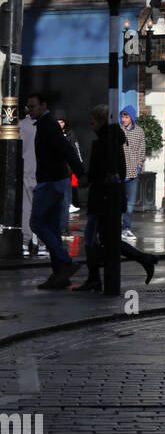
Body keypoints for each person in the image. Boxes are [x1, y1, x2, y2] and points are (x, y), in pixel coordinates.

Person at [74, 106, 156, 292]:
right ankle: (144, 259)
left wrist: (87, 179)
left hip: (103, 198)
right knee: (105, 237)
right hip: (107, 197)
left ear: (101, 120)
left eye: (93, 120)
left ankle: (95, 276)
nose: (90, 124)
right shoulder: (113, 139)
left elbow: (102, 170)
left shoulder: (106, 141)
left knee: (93, 236)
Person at [26, 93, 84, 290]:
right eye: (28, 107)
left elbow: (66, 149)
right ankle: (60, 274)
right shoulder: (46, 124)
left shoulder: (48, 125)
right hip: (55, 180)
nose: (29, 110)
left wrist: (80, 173)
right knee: (51, 227)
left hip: (50, 181)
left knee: (37, 223)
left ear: (43, 106)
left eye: (33, 106)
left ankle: (65, 262)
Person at [119, 106, 147, 241]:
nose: (124, 119)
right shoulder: (118, 130)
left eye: (126, 116)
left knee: (130, 204)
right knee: (119, 203)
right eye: (122, 116)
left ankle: (126, 228)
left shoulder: (139, 131)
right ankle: (117, 228)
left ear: (132, 117)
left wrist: (139, 166)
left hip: (132, 173)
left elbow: (142, 150)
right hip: (119, 173)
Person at [20, 109, 38, 256]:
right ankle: (43, 243)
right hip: (43, 171)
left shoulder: (21, 126)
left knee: (27, 206)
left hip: (26, 169)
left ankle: (25, 242)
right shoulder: (45, 125)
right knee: (43, 208)